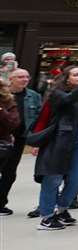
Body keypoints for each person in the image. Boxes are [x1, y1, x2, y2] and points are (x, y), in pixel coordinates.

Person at [36, 60, 78, 230]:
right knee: (53, 178)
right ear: (66, 78)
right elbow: (67, 101)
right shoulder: (57, 93)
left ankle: (62, 209)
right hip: (60, 139)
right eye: (76, 74)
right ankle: (47, 216)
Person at [0, 68, 40, 215]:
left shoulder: (33, 96)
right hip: (3, 136)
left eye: (27, 77)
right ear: (11, 79)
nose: (24, 79)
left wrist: (36, 140)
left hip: (19, 139)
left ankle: (1, 202)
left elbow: (38, 117)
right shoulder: (4, 95)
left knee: (10, 172)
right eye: (20, 77)